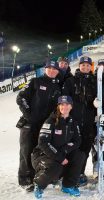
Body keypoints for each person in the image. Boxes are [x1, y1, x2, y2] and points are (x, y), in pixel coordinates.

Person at [16, 60, 61, 192]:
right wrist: (28, 115)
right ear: (45, 69)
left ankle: (39, 177)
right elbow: (21, 97)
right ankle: (25, 180)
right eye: (49, 68)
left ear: (58, 71)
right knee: (26, 151)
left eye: (54, 69)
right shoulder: (35, 81)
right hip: (29, 125)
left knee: (40, 152)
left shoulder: (57, 88)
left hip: (44, 127)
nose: (52, 71)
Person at [31, 96, 85, 198]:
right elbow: (43, 143)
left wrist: (65, 150)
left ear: (71, 106)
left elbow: (77, 141)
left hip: (62, 153)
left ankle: (68, 186)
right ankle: (39, 184)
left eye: (67, 104)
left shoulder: (73, 122)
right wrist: (60, 157)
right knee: (56, 167)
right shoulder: (50, 121)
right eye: (62, 104)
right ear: (58, 106)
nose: (64, 107)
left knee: (80, 155)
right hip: (43, 155)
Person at [62, 56, 97, 186]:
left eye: (88, 65)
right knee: (72, 149)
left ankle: (80, 173)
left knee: (85, 150)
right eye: (83, 65)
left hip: (88, 123)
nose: (85, 67)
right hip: (74, 122)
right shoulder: (71, 81)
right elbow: (64, 100)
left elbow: (100, 97)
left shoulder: (95, 81)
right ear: (79, 66)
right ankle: (69, 174)